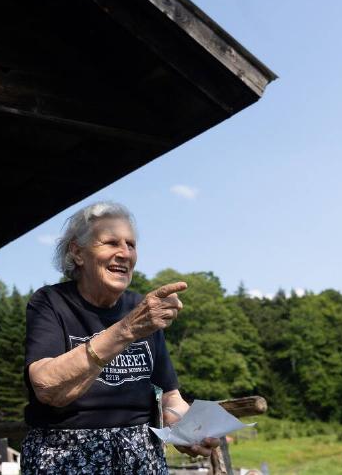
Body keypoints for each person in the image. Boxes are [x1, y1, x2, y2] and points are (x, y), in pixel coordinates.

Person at [21, 201, 218, 474]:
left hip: (142, 456)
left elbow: (170, 397)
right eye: (112, 243)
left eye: (131, 245)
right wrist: (126, 330)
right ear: (78, 252)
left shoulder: (141, 308)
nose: (125, 253)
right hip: (65, 454)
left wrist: (189, 432)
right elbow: (46, 386)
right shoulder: (51, 302)